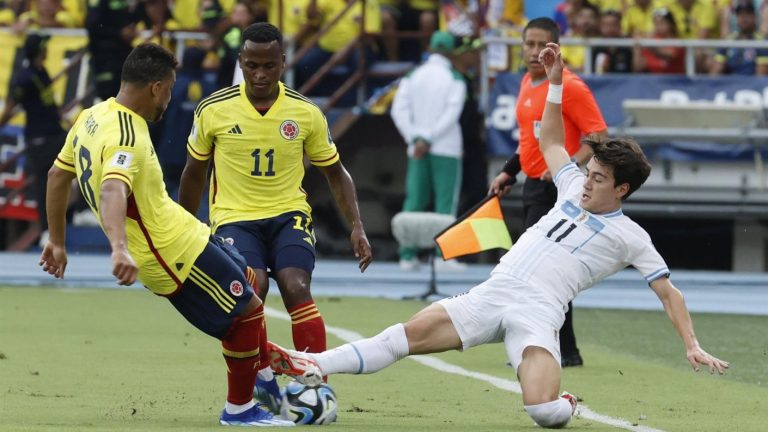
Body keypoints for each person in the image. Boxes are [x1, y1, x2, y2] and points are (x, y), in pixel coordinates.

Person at [267, 41, 730, 429]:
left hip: (537, 312)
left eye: (599, 178)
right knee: (401, 336)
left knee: (544, 411)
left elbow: (669, 293)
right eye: (590, 171)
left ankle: (563, 403)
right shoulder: (569, 184)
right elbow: (550, 141)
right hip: (493, 291)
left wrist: (690, 343)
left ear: (622, 188)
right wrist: (554, 83)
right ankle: (312, 363)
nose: (587, 180)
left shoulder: (632, 237)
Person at [38, 43, 294, 427]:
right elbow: (112, 189)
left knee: (249, 280)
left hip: (185, 230)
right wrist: (119, 250)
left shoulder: (93, 115)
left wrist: (57, 241)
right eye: (170, 89)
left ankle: (262, 379)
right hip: (169, 255)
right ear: (156, 87)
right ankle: (239, 410)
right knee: (247, 312)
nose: (170, 99)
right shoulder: (128, 137)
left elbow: (57, 176)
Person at [178, 22, 373, 412]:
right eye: (252, 65)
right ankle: (262, 379)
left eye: (269, 65)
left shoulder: (305, 112)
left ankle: (315, 385)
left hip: (289, 216)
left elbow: (335, 171)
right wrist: (184, 226)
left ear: (283, 63)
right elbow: (194, 172)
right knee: (254, 290)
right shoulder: (213, 110)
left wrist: (357, 225)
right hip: (234, 219)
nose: (260, 74)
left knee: (296, 286)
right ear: (241, 62)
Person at [488, 17, 607, 367]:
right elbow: (530, 139)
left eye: (543, 45)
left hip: (556, 192)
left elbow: (598, 135)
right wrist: (510, 170)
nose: (536, 52)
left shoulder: (570, 86)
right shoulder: (527, 81)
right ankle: (565, 350)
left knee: (539, 268)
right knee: (544, 269)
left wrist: (567, 167)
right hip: (533, 187)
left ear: (557, 48)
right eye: (529, 44)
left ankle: (553, 348)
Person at [391, 30, 467, 272]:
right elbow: (451, 114)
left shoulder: (413, 75)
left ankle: (407, 255)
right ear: (451, 52)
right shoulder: (455, 78)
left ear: (431, 48)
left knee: (414, 200)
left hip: (416, 147)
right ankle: (442, 255)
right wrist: (430, 138)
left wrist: (415, 138)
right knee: (445, 203)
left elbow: (398, 111)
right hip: (445, 147)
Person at [0, 33, 66, 248]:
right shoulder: (24, 77)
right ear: (39, 50)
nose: (48, 48)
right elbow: (10, 106)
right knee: (43, 185)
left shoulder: (41, 71)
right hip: (39, 138)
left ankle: (66, 218)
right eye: (45, 46)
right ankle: (48, 229)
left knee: (64, 175)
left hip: (54, 134)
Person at [85, 0, 138, 101]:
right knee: (109, 98)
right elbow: (92, 26)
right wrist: (119, 34)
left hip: (124, 57)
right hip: (105, 59)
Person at [709, 0, 768, 76]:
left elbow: (761, 75)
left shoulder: (761, 42)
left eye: (748, 14)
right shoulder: (728, 40)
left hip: (752, 85)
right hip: (730, 84)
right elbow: (715, 71)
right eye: (740, 14)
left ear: (754, 17)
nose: (743, 18)